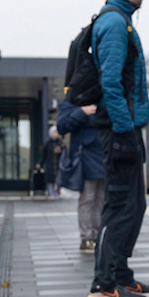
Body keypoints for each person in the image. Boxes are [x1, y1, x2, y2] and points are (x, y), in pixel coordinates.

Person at [85, 0, 149, 297]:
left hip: (126, 128)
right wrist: (124, 129)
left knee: (134, 205)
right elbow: (111, 84)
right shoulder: (115, 24)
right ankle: (103, 285)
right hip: (120, 129)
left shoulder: (121, 21)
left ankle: (120, 275)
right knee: (119, 206)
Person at [56, 101, 105, 253]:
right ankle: (87, 238)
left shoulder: (103, 97)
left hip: (104, 154)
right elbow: (62, 126)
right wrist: (82, 112)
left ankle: (98, 236)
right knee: (88, 198)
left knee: (101, 199)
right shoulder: (72, 101)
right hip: (86, 157)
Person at [40, 127, 63, 199]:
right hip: (50, 164)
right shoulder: (47, 143)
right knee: (49, 180)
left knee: (59, 179)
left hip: (58, 164)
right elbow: (43, 155)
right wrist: (40, 164)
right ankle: (51, 193)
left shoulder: (60, 142)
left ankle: (58, 192)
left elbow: (64, 153)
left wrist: (60, 152)